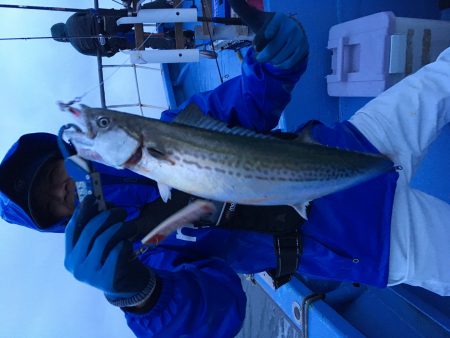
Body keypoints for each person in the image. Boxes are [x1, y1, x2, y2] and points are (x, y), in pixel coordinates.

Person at [1, 9, 449, 338]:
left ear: (65, 157)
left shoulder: (172, 127)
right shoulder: (137, 253)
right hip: (372, 239)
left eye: (50, 175)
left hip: (354, 142)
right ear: (58, 224)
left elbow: (247, 103)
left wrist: (275, 63)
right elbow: (219, 312)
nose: (60, 190)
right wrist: (139, 295)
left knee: (442, 76)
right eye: (49, 205)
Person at [50, 0, 195, 57]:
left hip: (114, 41)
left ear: (62, 39)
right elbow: (93, 11)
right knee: (140, 13)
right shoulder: (72, 19)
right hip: (112, 21)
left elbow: (103, 53)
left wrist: (111, 50)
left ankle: (184, 42)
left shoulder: (78, 47)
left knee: (145, 41)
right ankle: (169, 6)